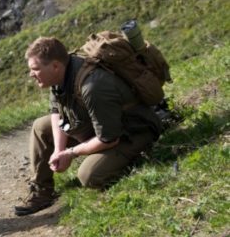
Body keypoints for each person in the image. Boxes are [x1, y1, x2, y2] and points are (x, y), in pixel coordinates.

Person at [14, 37, 162, 216]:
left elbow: (109, 138)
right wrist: (58, 150)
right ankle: (42, 192)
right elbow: (56, 111)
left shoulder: (93, 86)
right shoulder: (61, 74)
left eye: (35, 69)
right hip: (99, 123)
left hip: (131, 130)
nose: (31, 74)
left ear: (54, 66)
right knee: (40, 126)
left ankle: (136, 158)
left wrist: (71, 153)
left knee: (89, 175)